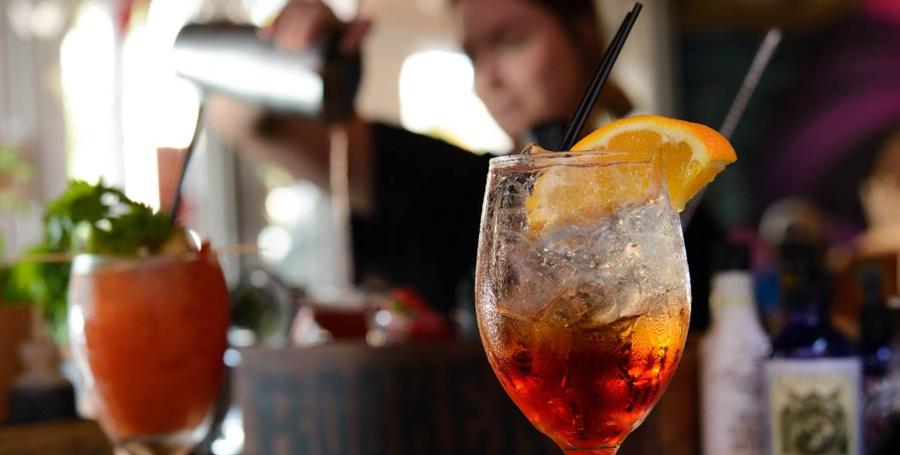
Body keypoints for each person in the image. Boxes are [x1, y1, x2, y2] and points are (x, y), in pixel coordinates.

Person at [207, 0, 720, 328]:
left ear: (583, 35)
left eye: (511, 40)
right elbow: (239, 119)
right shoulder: (453, 191)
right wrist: (300, 58)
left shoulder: (664, 214)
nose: (488, 78)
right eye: (474, 55)